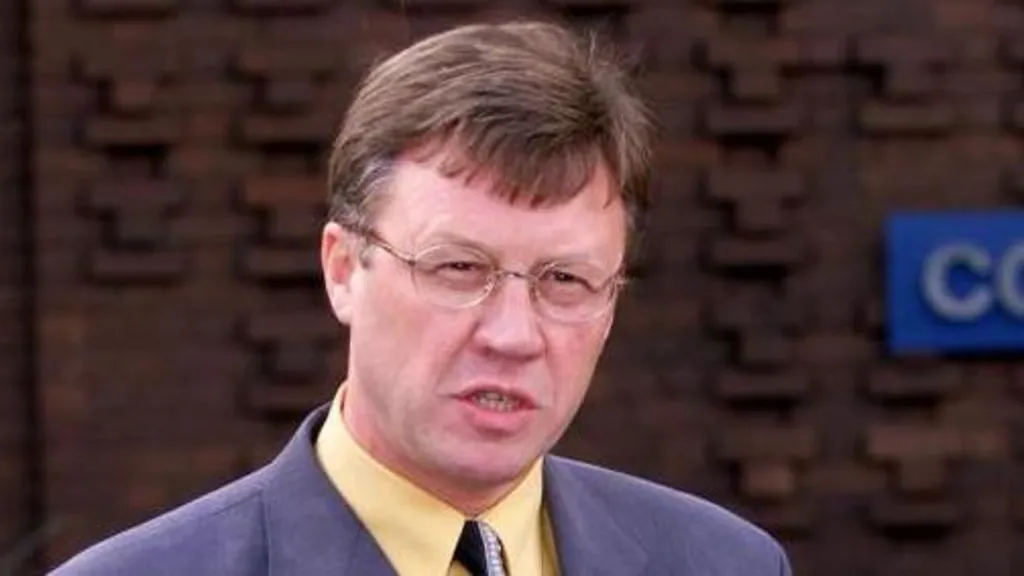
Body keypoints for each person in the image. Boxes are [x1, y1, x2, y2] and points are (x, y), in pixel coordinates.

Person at [52, 19, 792, 576]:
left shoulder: (728, 563)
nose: (512, 335)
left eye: (564, 280)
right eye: (459, 268)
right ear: (344, 269)